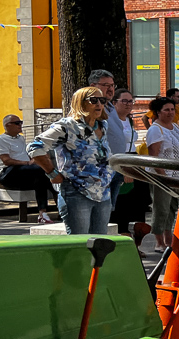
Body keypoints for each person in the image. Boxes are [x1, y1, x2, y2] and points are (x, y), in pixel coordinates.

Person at [29, 87, 115, 234]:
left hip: (103, 193)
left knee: (100, 242)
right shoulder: (67, 127)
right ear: (80, 103)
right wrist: (52, 173)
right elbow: (35, 148)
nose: (99, 104)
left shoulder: (102, 125)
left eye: (102, 100)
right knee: (80, 242)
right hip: (76, 192)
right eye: (93, 100)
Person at [146, 95, 179, 252]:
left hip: (177, 177)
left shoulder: (175, 127)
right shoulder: (155, 130)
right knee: (161, 209)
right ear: (158, 112)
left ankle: (168, 240)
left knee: (172, 209)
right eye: (166, 110)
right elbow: (154, 156)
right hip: (162, 177)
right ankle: (159, 242)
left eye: (172, 109)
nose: (170, 113)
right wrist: (163, 175)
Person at [0, 114, 54, 224]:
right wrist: (27, 163)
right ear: (7, 125)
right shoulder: (0, 140)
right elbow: (6, 160)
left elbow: (26, 154)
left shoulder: (20, 138)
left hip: (24, 172)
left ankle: (44, 213)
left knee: (44, 179)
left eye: (21, 122)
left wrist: (36, 160)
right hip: (7, 173)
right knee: (42, 171)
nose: (20, 125)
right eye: (17, 123)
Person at [104, 86, 135, 210]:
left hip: (132, 159)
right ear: (114, 103)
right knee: (116, 199)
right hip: (120, 160)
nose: (128, 104)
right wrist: (124, 167)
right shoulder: (110, 121)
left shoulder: (129, 120)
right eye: (124, 101)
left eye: (131, 101)